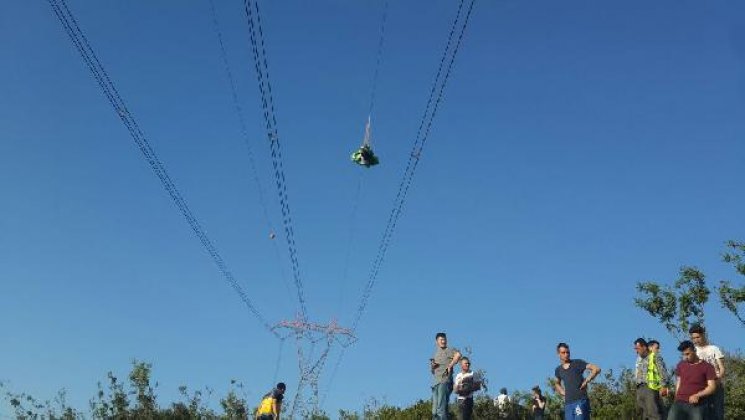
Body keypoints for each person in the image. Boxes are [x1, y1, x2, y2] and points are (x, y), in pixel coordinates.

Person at [667, 340, 717, 420]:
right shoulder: (681, 365)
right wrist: (675, 400)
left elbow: (712, 387)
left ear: (694, 351)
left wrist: (698, 395)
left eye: (687, 354)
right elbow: (678, 383)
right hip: (679, 403)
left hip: (697, 405)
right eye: (683, 355)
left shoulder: (707, 367)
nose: (685, 357)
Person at [554, 342, 601, 420]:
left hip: (580, 401)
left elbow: (596, 369)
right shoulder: (558, 370)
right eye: (563, 352)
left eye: (568, 352)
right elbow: (556, 383)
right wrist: (563, 393)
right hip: (568, 404)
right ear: (558, 354)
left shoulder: (577, 363)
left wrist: (587, 380)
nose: (566, 354)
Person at [689, 324, 725, 420]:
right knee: (701, 414)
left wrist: (717, 380)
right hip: (700, 388)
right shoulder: (693, 351)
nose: (696, 340)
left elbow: (722, 368)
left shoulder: (714, 349)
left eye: (698, 337)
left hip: (716, 385)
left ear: (703, 335)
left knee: (717, 413)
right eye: (693, 338)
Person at [633, 338, 670, 420]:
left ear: (644, 347)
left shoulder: (654, 356)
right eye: (635, 349)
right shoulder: (639, 359)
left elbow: (662, 371)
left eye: (637, 348)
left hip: (650, 389)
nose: (636, 351)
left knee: (653, 414)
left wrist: (664, 386)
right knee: (644, 415)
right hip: (640, 389)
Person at [431, 332, 461, 420]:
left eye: (444, 339)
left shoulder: (449, 349)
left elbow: (458, 355)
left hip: (445, 381)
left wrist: (451, 365)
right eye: (441, 340)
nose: (443, 341)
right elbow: (432, 371)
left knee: (441, 408)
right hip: (435, 383)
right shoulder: (435, 354)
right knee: (434, 411)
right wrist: (433, 367)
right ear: (436, 341)